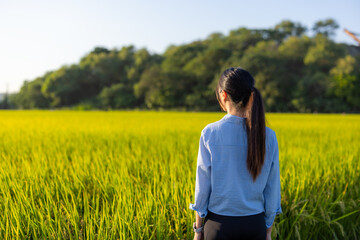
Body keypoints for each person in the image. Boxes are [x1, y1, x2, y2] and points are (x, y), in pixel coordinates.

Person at [189, 67, 282, 240]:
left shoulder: (210, 133)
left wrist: (198, 230)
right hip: (255, 225)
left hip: (219, 226)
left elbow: (202, 188)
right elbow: (272, 187)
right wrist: (267, 230)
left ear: (223, 95)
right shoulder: (268, 135)